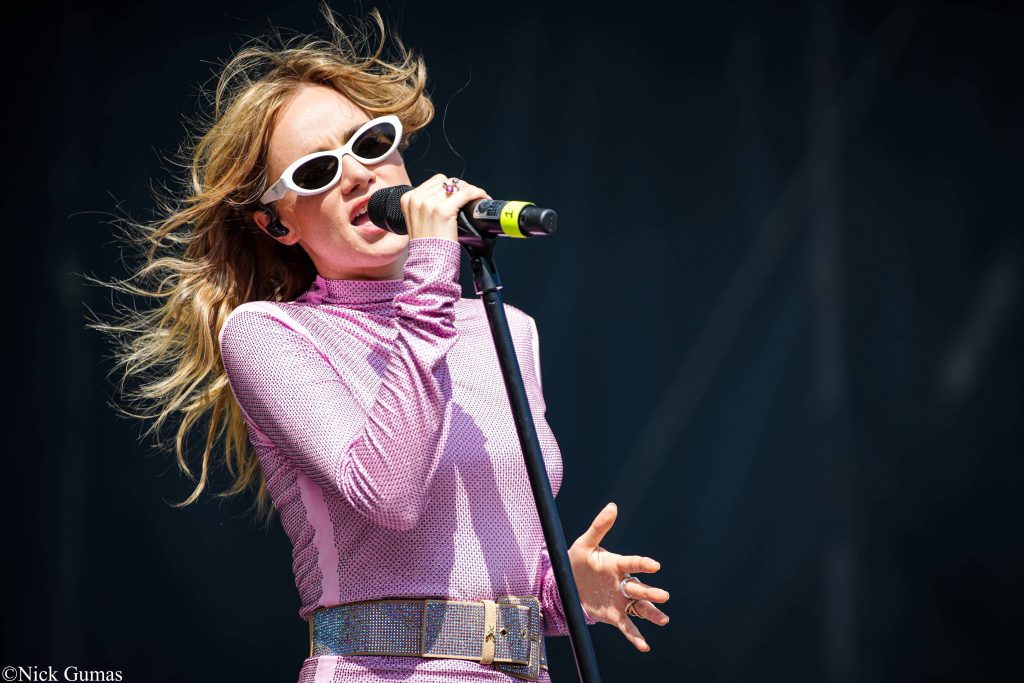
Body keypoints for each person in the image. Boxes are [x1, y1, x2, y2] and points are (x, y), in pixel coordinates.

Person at [91, 6, 669, 682]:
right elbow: (390, 493)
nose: (358, 174)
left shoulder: (509, 328)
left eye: (370, 143)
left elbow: (485, 555)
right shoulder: (269, 334)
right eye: (316, 171)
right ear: (277, 223)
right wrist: (431, 270)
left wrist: (562, 589)